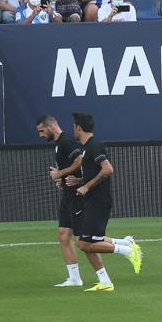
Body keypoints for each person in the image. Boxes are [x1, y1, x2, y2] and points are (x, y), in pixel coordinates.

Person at [62, 112, 143, 292]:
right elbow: (95, 173)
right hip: (92, 202)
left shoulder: (93, 146)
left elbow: (107, 170)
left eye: (74, 126)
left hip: (98, 203)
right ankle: (105, 281)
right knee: (85, 242)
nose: (73, 129)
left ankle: (128, 250)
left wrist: (86, 186)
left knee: (84, 243)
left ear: (78, 127)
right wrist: (79, 181)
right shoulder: (87, 148)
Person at [38, 115, 121, 288]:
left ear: (51, 126)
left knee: (84, 241)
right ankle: (75, 278)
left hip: (80, 197)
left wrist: (63, 175)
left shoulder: (69, 142)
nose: (40, 134)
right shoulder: (65, 144)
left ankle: (120, 255)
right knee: (65, 235)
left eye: (42, 130)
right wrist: (67, 180)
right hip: (70, 195)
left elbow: (83, 162)